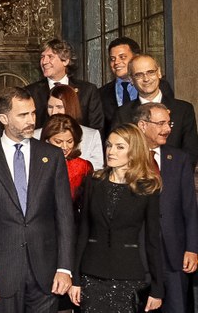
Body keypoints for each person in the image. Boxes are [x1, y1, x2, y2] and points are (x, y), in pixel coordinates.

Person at [0, 87, 74, 312]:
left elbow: (64, 216)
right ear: (4, 118)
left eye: (33, 113)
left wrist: (64, 268)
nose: (31, 120)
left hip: (46, 274)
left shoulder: (52, 156)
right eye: (23, 115)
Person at [68, 124, 163, 312]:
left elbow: (153, 240)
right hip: (91, 274)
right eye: (109, 145)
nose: (111, 151)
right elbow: (83, 232)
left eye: (120, 147)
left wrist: (157, 288)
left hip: (129, 275)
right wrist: (75, 279)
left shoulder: (147, 187)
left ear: (134, 151)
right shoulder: (93, 182)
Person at [134, 103, 198, 312]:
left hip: (174, 254)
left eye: (169, 123)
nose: (167, 129)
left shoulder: (180, 159)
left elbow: (190, 208)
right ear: (142, 125)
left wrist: (192, 248)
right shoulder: (128, 158)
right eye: (160, 123)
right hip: (139, 255)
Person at [113, 53, 198, 166]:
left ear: (159, 73)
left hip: (175, 174)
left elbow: (191, 153)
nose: (146, 79)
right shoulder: (122, 114)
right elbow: (117, 153)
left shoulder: (183, 110)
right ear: (131, 79)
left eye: (150, 72)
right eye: (139, 75)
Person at [98, 37, 174, 138]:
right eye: (112, 59)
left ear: (136, 57)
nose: (116, 62)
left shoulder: (159, 85)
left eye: (122, 57)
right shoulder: (101, 94)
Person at [25, 38, 104, 131]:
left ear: (65, 61)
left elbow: (96, 128)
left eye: (50, 56)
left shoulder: (88, 91)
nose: (44, 61)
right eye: (42, 57)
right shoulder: (30, 92)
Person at [34, 84, 104, 169]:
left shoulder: (91, 135)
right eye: (50, 107)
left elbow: (97, 169)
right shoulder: (35, 135)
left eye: (59, 107)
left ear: (71, 107)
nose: (54, 112)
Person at [40, 114, 92, 211]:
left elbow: (85, 206)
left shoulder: (82, 167)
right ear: (47, 140)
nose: (65, 147)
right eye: (58, 142)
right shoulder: (36, 163)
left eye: (69, 141)